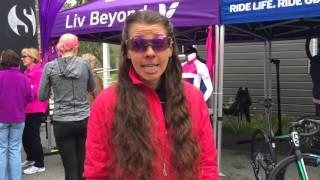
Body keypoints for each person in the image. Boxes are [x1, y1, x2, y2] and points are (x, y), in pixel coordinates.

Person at [84, 10, 219, 180]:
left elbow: (206, 166)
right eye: (138, 44)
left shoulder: (194, 98)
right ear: (127, 51)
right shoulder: (105, 103)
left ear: (170, 49)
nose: (150, 52)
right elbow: (97, 173)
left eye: (159, 43)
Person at [38, 33, 95, 180]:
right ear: (76, 47)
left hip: (62, 121)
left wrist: (54, 91)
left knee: (69, 168)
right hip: (83, 119)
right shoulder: (84, 64)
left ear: (60, 47)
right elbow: (91, 87)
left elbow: (41, 96)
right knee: (83, 166)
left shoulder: (50, 67)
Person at [0, 49, 33, 180]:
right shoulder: (23, 78)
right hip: (18, 118)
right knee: (15, 149)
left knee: (2, 149)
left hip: (1, 118)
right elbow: (30, 97)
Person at [21, 48, 48, 175]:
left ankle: (39, 164)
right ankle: (31, 158)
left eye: (25, 56)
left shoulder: (40, 72)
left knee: (33, 136)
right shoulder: (25, 72)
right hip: (26, 109)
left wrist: (26, 90)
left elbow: (36, 92)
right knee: (25, 136)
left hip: (36, 109)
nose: (23, 59)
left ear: (32, 58)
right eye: (22, 56)